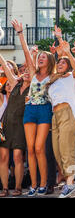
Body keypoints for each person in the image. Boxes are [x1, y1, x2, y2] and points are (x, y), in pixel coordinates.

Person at [12, 19, 56, 196]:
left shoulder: (53, 76)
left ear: (50, 60)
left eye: (44, 56)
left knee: (39, 148)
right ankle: (34, 185)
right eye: (40, 57)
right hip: (30, 109)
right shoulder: (34, 72)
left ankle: (44, 183)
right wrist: (20, 33)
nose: (40, 58)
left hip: (44, 109)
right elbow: (25, 52)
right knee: (30, 149)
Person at [46, 33, 75, 198]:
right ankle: (71, 177)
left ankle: (70, 183)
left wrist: (66, 51)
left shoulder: (70, 77)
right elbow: (48, 67)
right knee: (57, 151)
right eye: (59, 62)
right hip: (55, 116)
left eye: (63, 63)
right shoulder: (53, 80)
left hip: (68, 113)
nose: (61, 64)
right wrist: (55, 55)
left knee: (66, 149)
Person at [0, 55, 29, 197]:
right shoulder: (14, 83)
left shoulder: (33, 89)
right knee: (3, 157)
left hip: (20, 126)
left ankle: (18, 187)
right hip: (4, 125)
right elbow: (5, 65)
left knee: (18, 156)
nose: (27, 73)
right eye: (25, 72)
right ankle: (5, 188)